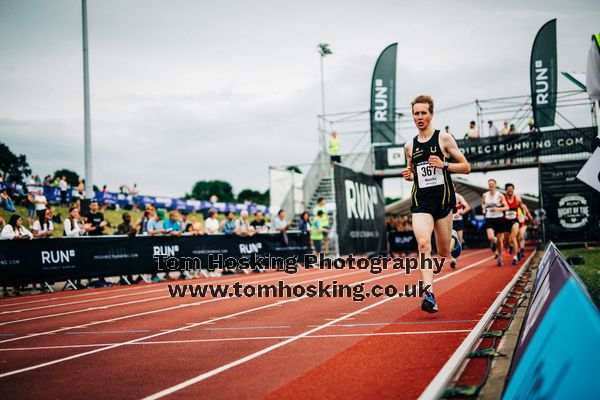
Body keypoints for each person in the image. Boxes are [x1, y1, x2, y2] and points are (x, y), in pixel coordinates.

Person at [402, 95, 471, 313]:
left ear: (431, 114)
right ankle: (429, 294)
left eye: (423, 113)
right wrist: (409, 174)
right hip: (421, 201)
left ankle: (452, 241)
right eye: (416, 113)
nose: (419, 117)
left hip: (442, 200)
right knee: (423, 244)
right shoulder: (409, 146)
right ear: (412, 116)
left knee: (443, 253)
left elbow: (466, 167)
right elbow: (413, 172)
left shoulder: (444, 139)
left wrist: (444, 164)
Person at [482, 179, 509, 266]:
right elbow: (483, 203)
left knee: (500, 242)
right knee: (490, 237)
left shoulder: (500, 195)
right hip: (489, 218)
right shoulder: (485, 195)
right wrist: (483, 209)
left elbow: (507, 207)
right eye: (490, 184)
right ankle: (493, 242)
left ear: (495, 185)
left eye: (492, 184)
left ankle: (500, 258)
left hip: (499, 218)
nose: (491, 186)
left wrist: (497, 209)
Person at [503, 183, 531, 265]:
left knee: (513, 237)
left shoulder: (517, 199)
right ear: (506, 190)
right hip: (505, 222)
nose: (510, 191)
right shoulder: (503, 199)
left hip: (515, 221)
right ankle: (512, 248)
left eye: (511, 189)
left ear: (513, 190)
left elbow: (523, 206)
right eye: (508, 189)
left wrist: (526, 215)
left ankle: (515, 257)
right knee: (507, 241)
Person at [451, 183, 471, 267]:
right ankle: (453, 260)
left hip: (458, 221)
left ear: (455, 188)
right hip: (449, 222)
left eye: (453, 187)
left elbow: (468, 207)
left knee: (459, 240)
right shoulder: (444, 197)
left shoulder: (458, 197)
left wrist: (460, 214)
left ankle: (455, 255)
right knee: (451, 239)